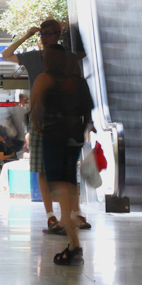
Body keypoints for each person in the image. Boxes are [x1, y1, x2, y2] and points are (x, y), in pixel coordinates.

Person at [2, 19, 86, 233]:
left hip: (66, 119)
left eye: (49, 34)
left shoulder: (69, 58)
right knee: (41, 168)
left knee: (67, 170)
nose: (44, 37)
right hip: (40, 119)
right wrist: (26, 35)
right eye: (42, 34)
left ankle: (74, 214)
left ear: (58, 34)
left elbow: (79, 86)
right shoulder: (32, 57)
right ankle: (51, 216)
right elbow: (6, 54)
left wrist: (87, 119)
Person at [30, 45, 93, 266]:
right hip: (75, 136)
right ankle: (73, 237)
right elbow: (88, 109)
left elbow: (35, 105)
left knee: (58, 181)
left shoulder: (45, 79)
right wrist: (85, 128)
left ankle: (71, 232)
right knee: (68, 179)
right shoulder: (78, 80)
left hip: (54, 135)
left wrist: (37, 126)